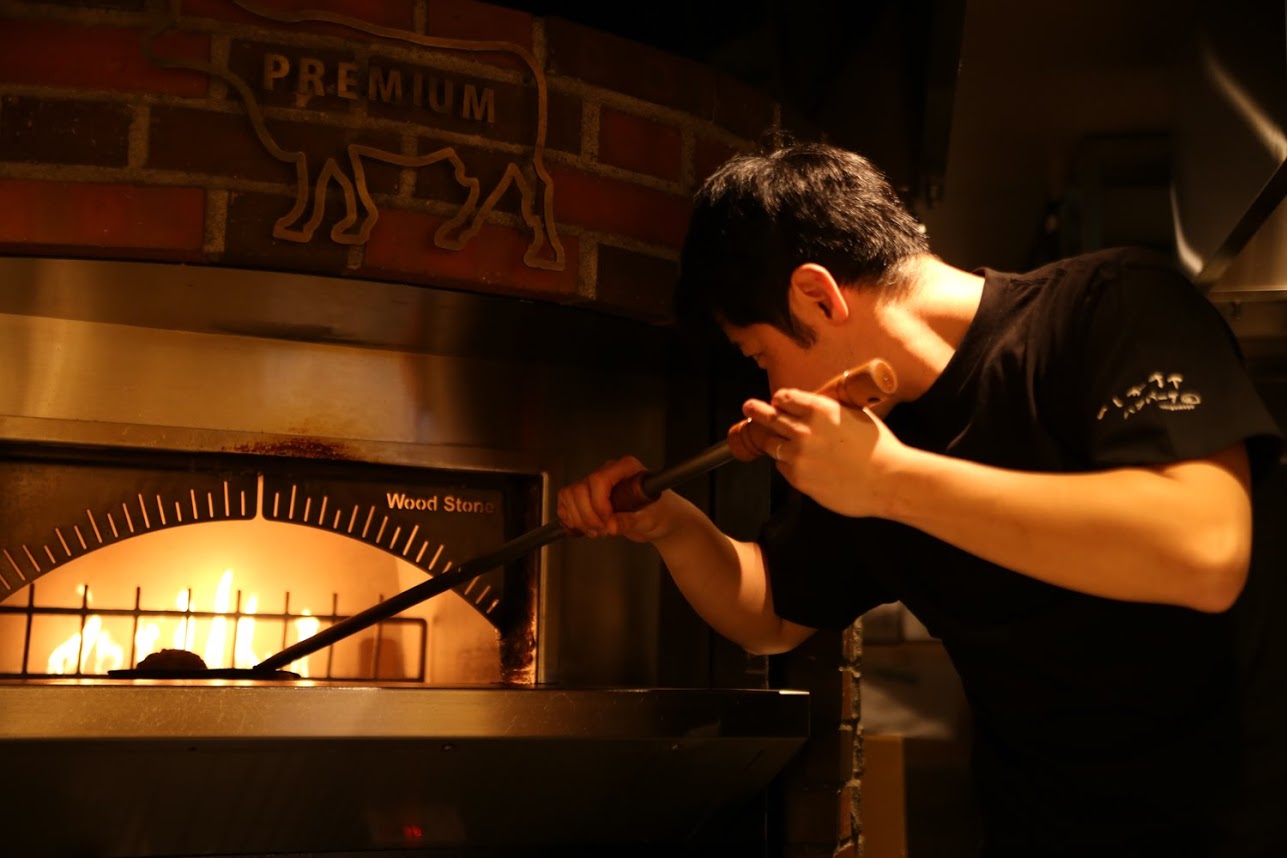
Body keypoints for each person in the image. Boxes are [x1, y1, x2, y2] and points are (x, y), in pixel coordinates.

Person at [556, 142, 1287, 857]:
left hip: (1234, 826)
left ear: (817, 296)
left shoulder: (1114, 306)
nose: (769, 389)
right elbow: (771, 614)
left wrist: (890, 481)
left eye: (761, 356)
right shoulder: (873, 442)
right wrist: (672, 526)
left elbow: (1202, 551)